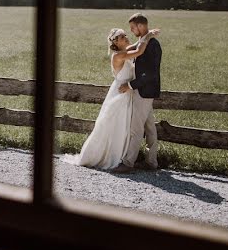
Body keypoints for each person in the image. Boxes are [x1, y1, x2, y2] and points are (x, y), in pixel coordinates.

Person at [62, 25, 160, 171]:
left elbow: (135, 46)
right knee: (112, 125)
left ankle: (131, 157)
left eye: (126, 35)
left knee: (124, 125)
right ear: (116, 42)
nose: (126, 37)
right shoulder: (118, 55)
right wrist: (148, 36)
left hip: (128, 92)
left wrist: (145, 37)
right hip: (120, 93)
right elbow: (139, 50)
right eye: (122, 37)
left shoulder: (123, 51)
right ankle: (106, 156)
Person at [112, 12, 162, 173]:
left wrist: (131, 85)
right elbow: (134, 49)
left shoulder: (152, 45)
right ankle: (151, 162)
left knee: (136, 128)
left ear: (140, 26)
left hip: (143, 91)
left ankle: (128, 162)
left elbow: (150, 73)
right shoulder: (144, 41)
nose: (132, 31)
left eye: (133, 28)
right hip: (146, 91)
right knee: (150, 128)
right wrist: (147, 36)